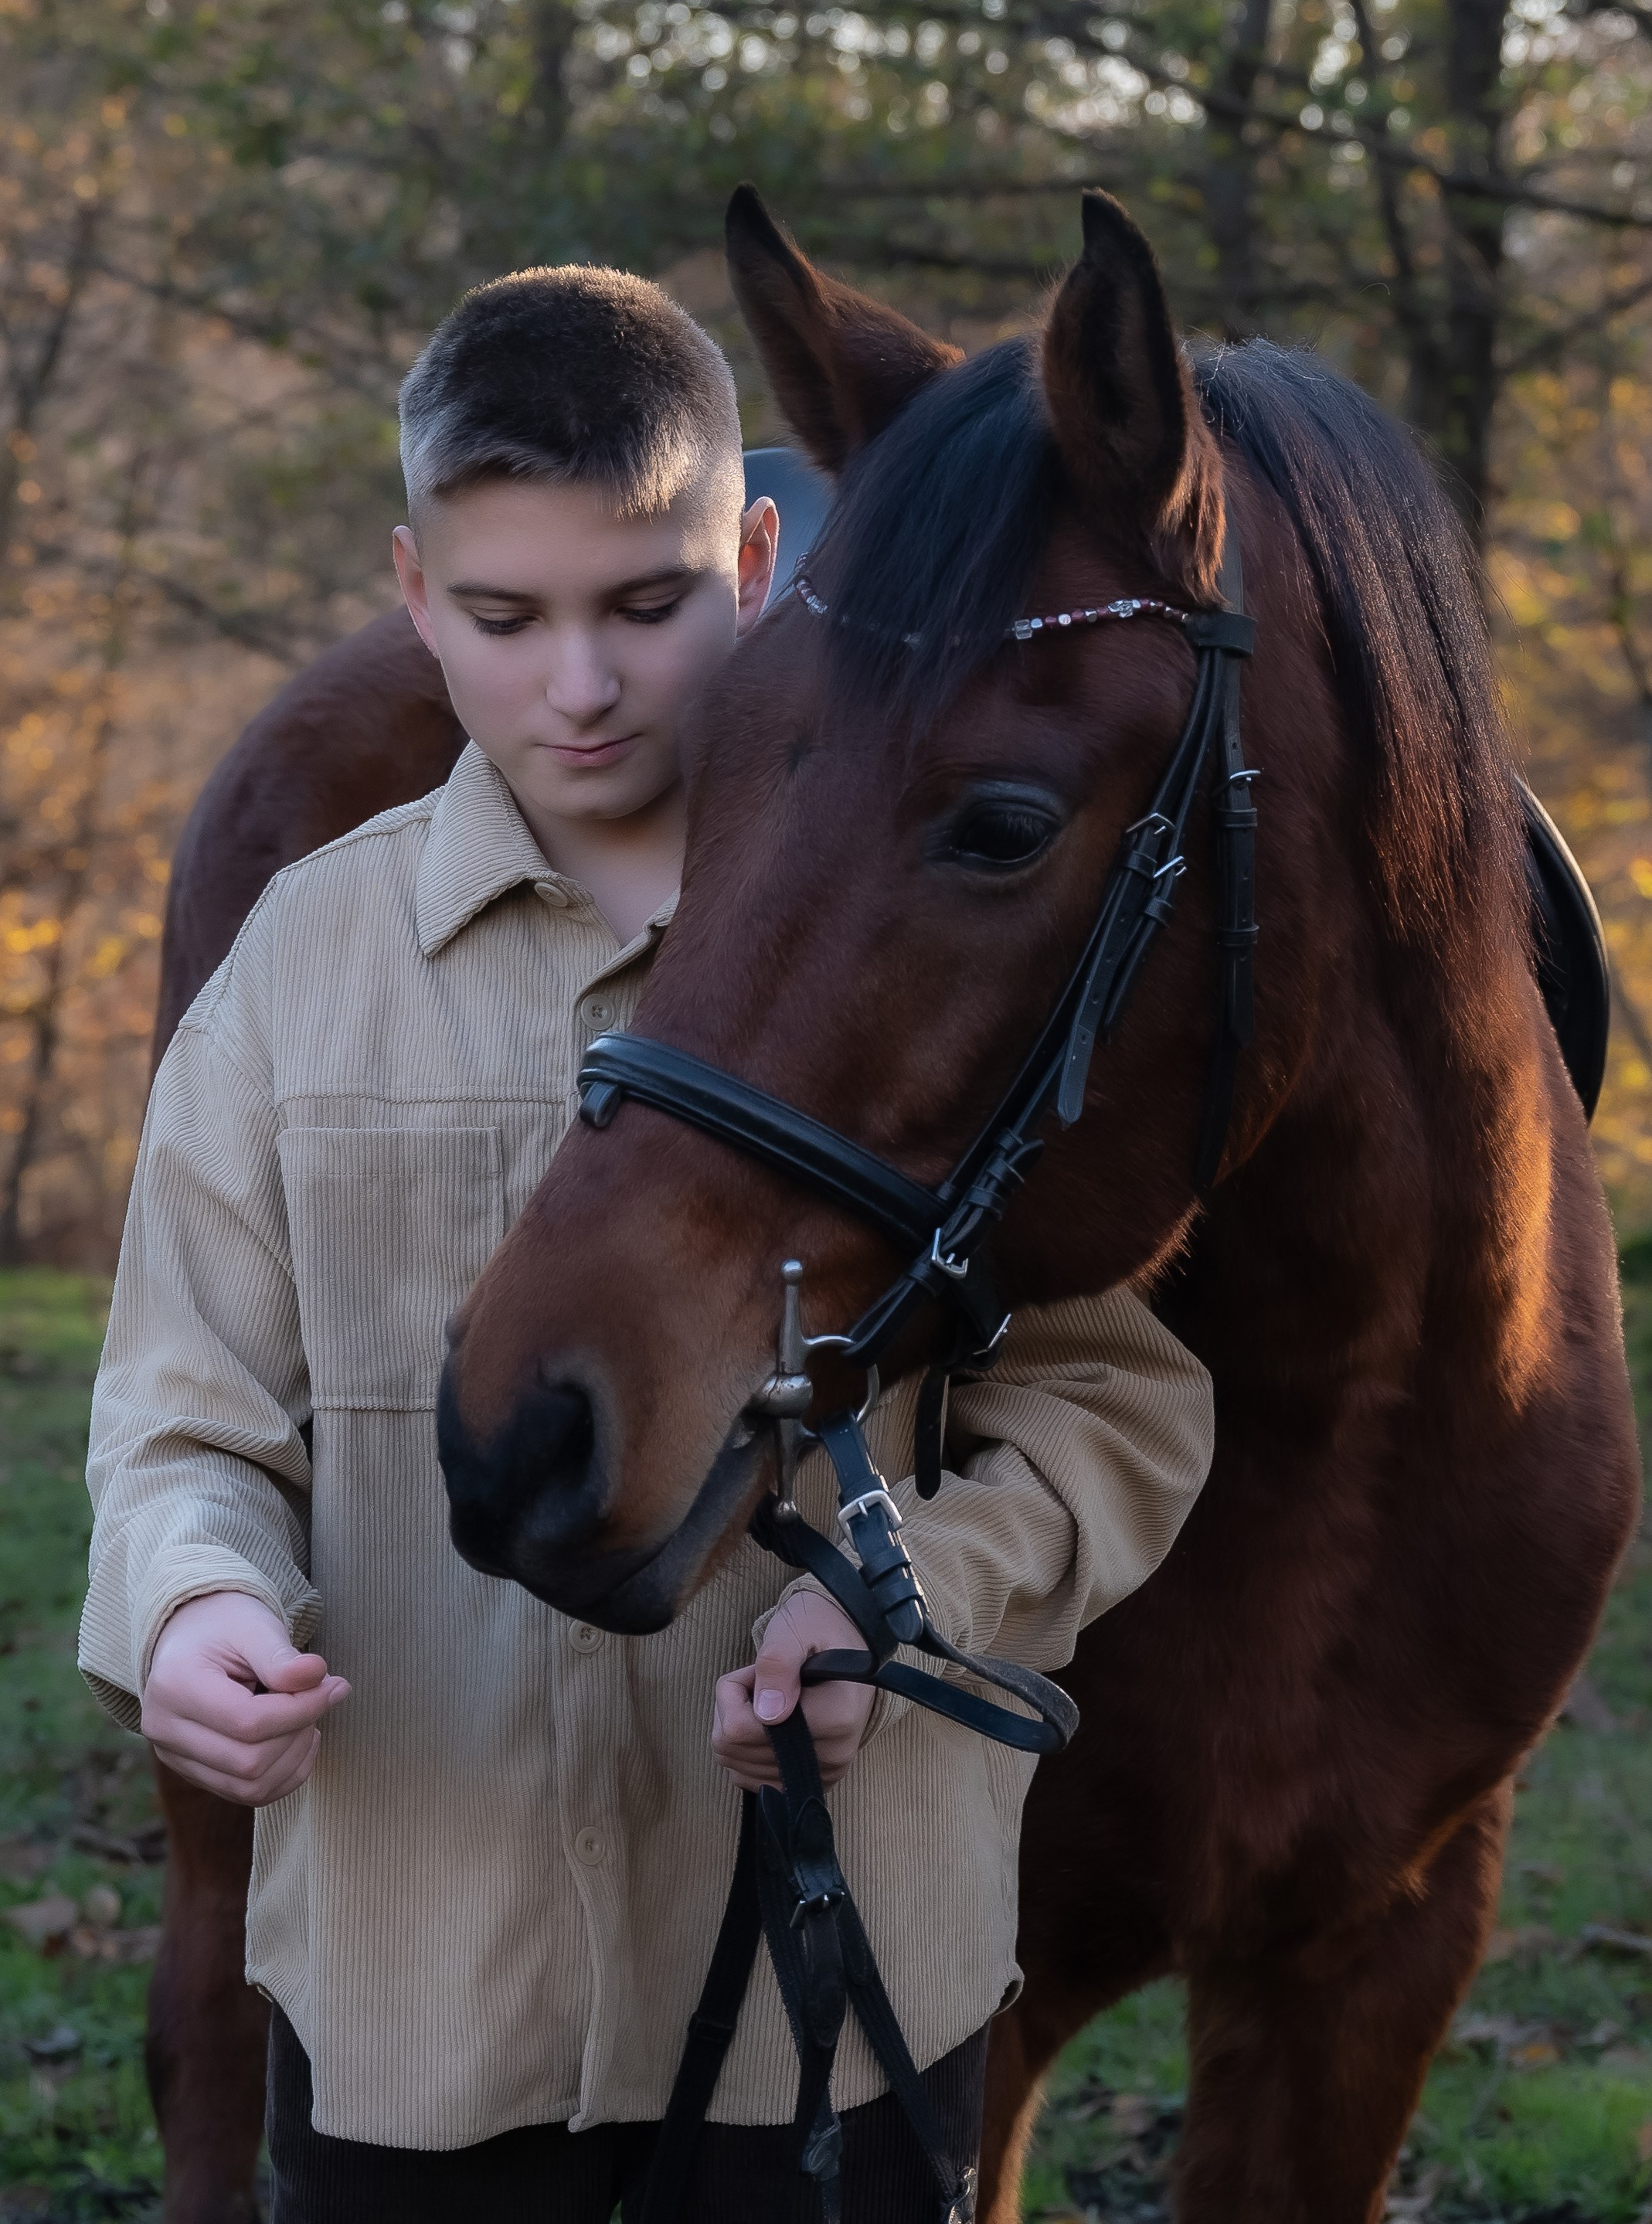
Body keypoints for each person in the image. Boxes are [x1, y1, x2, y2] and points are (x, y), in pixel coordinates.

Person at [80, 266, 1214, 2222]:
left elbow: (1112, 1399)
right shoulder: (300, 972)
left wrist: (907, 1589)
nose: (580, 687)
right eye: (508, 620)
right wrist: (189, 1604)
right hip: (422, 2000)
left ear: (760, 561)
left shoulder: (914, 933)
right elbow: (179, 1417)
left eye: (648, 605)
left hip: (833, 2006)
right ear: (417, 597)